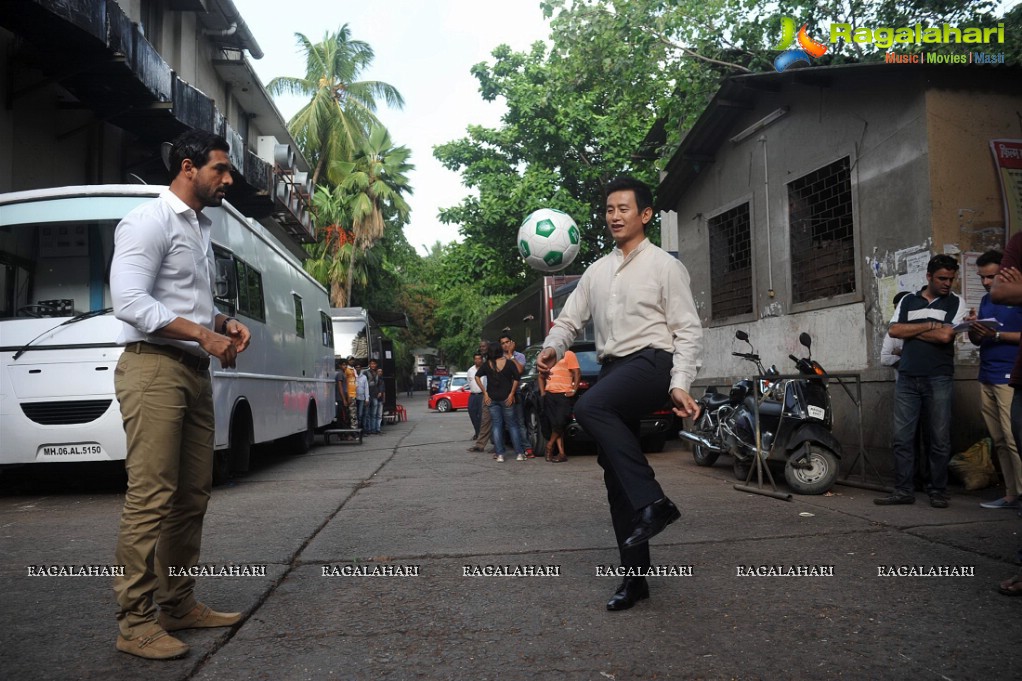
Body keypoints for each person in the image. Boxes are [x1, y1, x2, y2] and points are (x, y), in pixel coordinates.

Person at [109, 130, 252, 660]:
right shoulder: (149, 221)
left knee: (193, 494)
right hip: (152, 370)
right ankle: (135, 623)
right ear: (188, 168)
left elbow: (187, 304)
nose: (228, 179)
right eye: (220, 169)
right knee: (151, 497)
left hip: (192, 372)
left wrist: (222, 323)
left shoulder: (200, 227)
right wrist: (202, 335)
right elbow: (128, 301)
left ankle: (177, 603)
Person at [537, 176, 702, 611]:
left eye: (624, 209)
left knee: (589, 406)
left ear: (645, 215)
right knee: (615, 478)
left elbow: (686, 329)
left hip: (652, 362)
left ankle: (656, 500)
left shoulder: (665, 266)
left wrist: (680, 382)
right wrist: (552, 349)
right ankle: (635, 579)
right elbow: (568, 322)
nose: (614, 216)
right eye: (610, 209)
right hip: (614, 370)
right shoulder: (597, 271)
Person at [875, 254, 966, 508]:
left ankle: (937, 489)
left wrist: (913, 331)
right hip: (907, 378)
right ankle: (904, 489)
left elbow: (947, 336)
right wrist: (930, 324)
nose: (947, 283)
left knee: (938, 437)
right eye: (942, 278)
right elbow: (894, 331)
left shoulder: (956, 302)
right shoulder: (907, 300)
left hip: (939, 376)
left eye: (951, 278)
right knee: (902, 437)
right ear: (928, 277)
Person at [967, 250, 1022, 510]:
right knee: (999, 440)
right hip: (987, 373)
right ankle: (1011, 494)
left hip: (1010, 375)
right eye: (982, 277)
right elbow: (981, 340)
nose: (987, 282)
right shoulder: (987, 300)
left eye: (992, 276)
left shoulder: (1017, 296)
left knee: (1014, 439)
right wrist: (974, 330)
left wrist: (997, 335)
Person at [989, 234, 1022, 596]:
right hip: (1013, 377)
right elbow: (1002, 292)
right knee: (1006, 441)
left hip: (1005, 374)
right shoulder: (1020, 242)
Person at [477, 340, 527, 462]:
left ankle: (500, 454)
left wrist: (485, 393)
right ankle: (519, 453)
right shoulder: (509, 363)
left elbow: (477, 376)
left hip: (492, 398)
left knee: (496, 425)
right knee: (513, 425)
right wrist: (512, 393)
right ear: (500, 351)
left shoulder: (487, 364)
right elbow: (517, 378)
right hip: (507, 398)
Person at [539, 349, 580, 462]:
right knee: (555, 424)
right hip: (550, 394)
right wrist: (543, 393)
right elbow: (541, 376)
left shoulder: (569, 354)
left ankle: (549, 446)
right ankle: (561, 453)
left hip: (564, 394)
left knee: (560, 422)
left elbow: (576, 372)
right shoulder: (547, 356)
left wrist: (574, 389)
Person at [500, 333, 531, 456]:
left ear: (512, 342)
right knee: (501, 422)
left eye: (507, 342)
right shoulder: (499, 358)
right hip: (502, 393)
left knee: (520, 421)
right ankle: (500, 449)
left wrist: (511, 356)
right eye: (502, 343)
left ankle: (526, 447)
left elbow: (518, 371)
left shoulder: (520, 356)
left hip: (516, 392)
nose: (505, 345)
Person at [467, 340, 495, 454]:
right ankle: (480, 445)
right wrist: (485, 392)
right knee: (485, 420)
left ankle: (498, 445)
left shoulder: (493, 360)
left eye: (484, 346)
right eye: (481, 346)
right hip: (486, 394)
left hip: (495, 394)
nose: (482, 348)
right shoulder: (485, 363)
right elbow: (478, 376)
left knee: (497, 421)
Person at [466, 352, 485, 440]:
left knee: (482, 415)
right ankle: (477, 431)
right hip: (473, 395)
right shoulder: (470, 370)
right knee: (471, 412)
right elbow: (469, 382)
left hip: (482, 395)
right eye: (476, 359)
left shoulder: (485, 369)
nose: (477, 360)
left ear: (482, 359)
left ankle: (481, 434)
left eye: (479, 358)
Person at [345, 357, 359, 429]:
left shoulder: (353, 369)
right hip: (350, 395)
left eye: (353, 360)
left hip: (354, 394)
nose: (352, 361)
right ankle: (353, 432)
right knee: (352, 414)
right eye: (350, 360)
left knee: (354, 414)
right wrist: (348, 396)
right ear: (348, 361)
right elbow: (345, 384)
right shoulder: (346, 370)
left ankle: (354, 431)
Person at [355, 361, 369, 431]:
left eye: (359, 367)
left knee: (360, 415)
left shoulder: (364, 377)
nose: (357, 368)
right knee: (354, 415)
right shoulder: (353, 376)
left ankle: (361, 430)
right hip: (354, 398)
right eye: (356, 367)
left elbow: (366, 388)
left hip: (361, 398)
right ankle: (355, 430)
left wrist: (367, 399)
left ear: (361, 368)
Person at [374, 367, 386, 433]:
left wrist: (384, 398)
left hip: (381, 399)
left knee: (379, 414)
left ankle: (378, 428)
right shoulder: (375, 380)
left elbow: (383, 390)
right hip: (375, 398)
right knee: (374, 414)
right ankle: (374, 428)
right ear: (376, 372)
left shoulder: (382, 380)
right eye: (379, 371)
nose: (380, 373)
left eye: (381, 371)